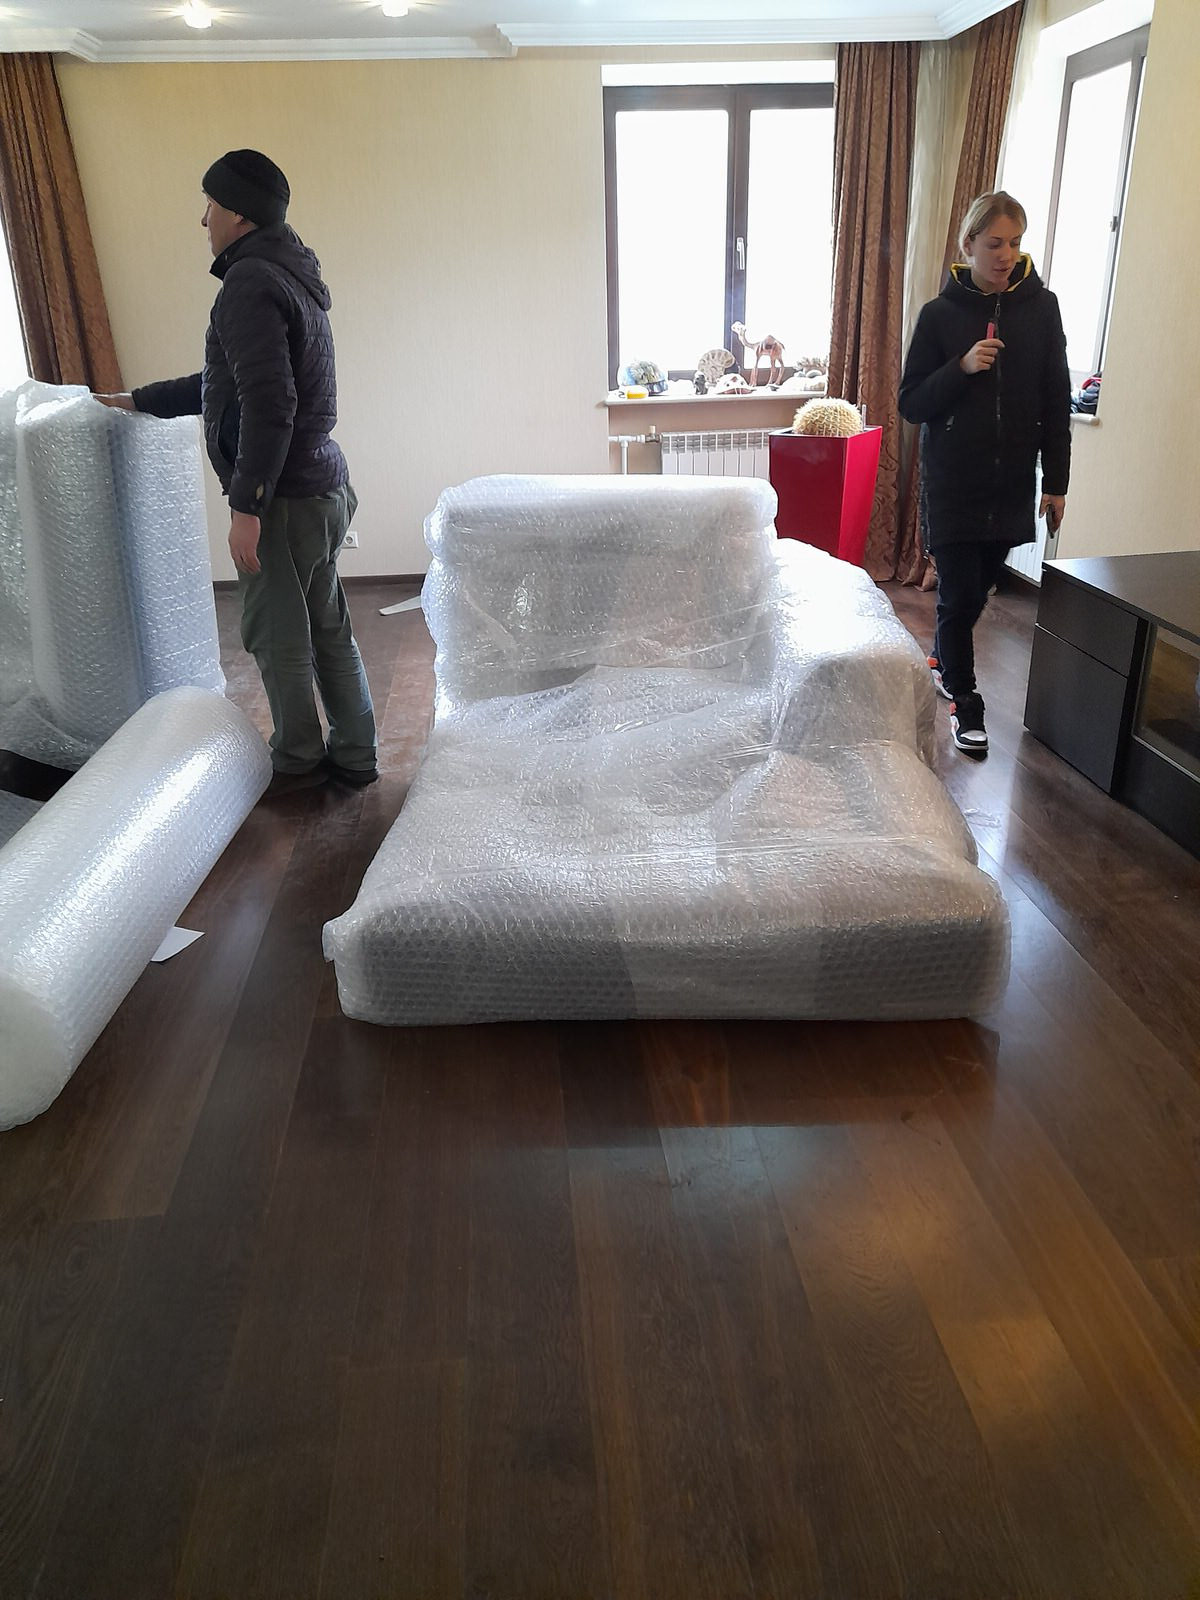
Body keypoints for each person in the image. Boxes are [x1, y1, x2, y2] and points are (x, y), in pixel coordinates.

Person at [99, 149, 377, 796]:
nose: (204, 220)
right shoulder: (289, 274)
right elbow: (224, 382)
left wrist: (247, 505)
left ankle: (298, 761)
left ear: (241, 216)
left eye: (211, 206)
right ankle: (356, 754)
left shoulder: (249, 283)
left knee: (277, 635)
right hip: (322, 486)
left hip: (282, 500)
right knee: (327, 626)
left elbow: (268, 402)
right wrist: (138, 400)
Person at [899, 190, 1071, 755]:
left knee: (974, 594)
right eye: (995, 243)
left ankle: (941, 657)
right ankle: (965, 704)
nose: (1006, 255)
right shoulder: (939, 316)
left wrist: (1057, 482)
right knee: (957, 597)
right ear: (968, 244)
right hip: (952, 484)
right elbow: (911, 402)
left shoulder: (1042, 310)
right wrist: (963, 366)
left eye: (1015, 243)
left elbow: (1057, 400)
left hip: (1010, 485)